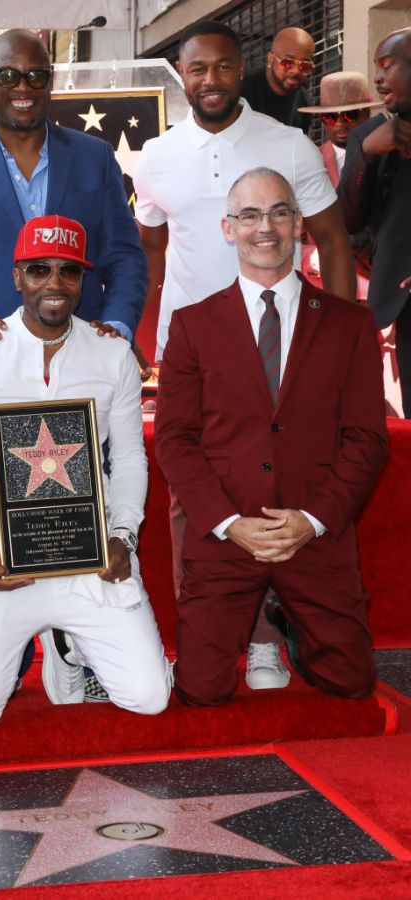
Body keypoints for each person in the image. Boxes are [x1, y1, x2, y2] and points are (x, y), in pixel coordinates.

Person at [133, 20, 355, 692]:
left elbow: (333, 240)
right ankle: (204, 633)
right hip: (191, 352)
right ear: (181, 74)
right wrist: (149, 339)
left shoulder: (286, 143)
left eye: (224, 67)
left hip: (280, 342)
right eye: (197, 69)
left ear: (242, 68)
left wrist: (335, 337)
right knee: (194, 496)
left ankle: (263, 637)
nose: (211, 80)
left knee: (278, 477)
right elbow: (151, 251)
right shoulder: (156, 155)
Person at [154, 168, 387, 707]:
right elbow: (175, 440)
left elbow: (366, 439)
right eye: (250, 215)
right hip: (228, 534)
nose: (266, 227)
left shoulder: (349, 324)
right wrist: (229, 523)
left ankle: (290, 629)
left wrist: (314, 519)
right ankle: (270, 617)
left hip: (314, 531)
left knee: (350, 683)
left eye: (279, 212)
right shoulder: (192, 325)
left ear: (299, 224)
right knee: (201, 691)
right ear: (228, 227)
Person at [0, 215, 172, 726]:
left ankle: (69, 642)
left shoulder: (112, 354)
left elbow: (130, 459)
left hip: (90, 557)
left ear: (84, 281)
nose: (55, 283)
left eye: (69, 271)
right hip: (2, 559)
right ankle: (48, 634)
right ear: (17, 276)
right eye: (39, 269)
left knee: (149, 697)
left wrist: (124, 536)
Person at [0, 29, 146, 347]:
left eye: (36, 75)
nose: (23, 87)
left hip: (82, 349)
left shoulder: (95, 157)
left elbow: (124, 257)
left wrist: (117, 325)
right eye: (8, 76)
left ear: (51, 80)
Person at [338, 28, 411, 418]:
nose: (378, 79)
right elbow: (348, 220)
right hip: (402, 306)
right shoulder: (368, 136)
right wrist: (366, 154)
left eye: (387, 66)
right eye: (376, 68)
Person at [297, 72, 383, 297]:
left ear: (366, 113)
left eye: (349, 115)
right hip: (326, 288)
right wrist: (312, 256)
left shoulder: (390, 159)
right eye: (329, 117)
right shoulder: (308, 163)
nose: (339, 124)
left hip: (381, 289)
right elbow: (293, 234)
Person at [240, 27, 315, 133]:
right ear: (271, 58)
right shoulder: (240, 90)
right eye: (287, 63)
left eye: (304, 66)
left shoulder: (304, 102)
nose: (296, 71)